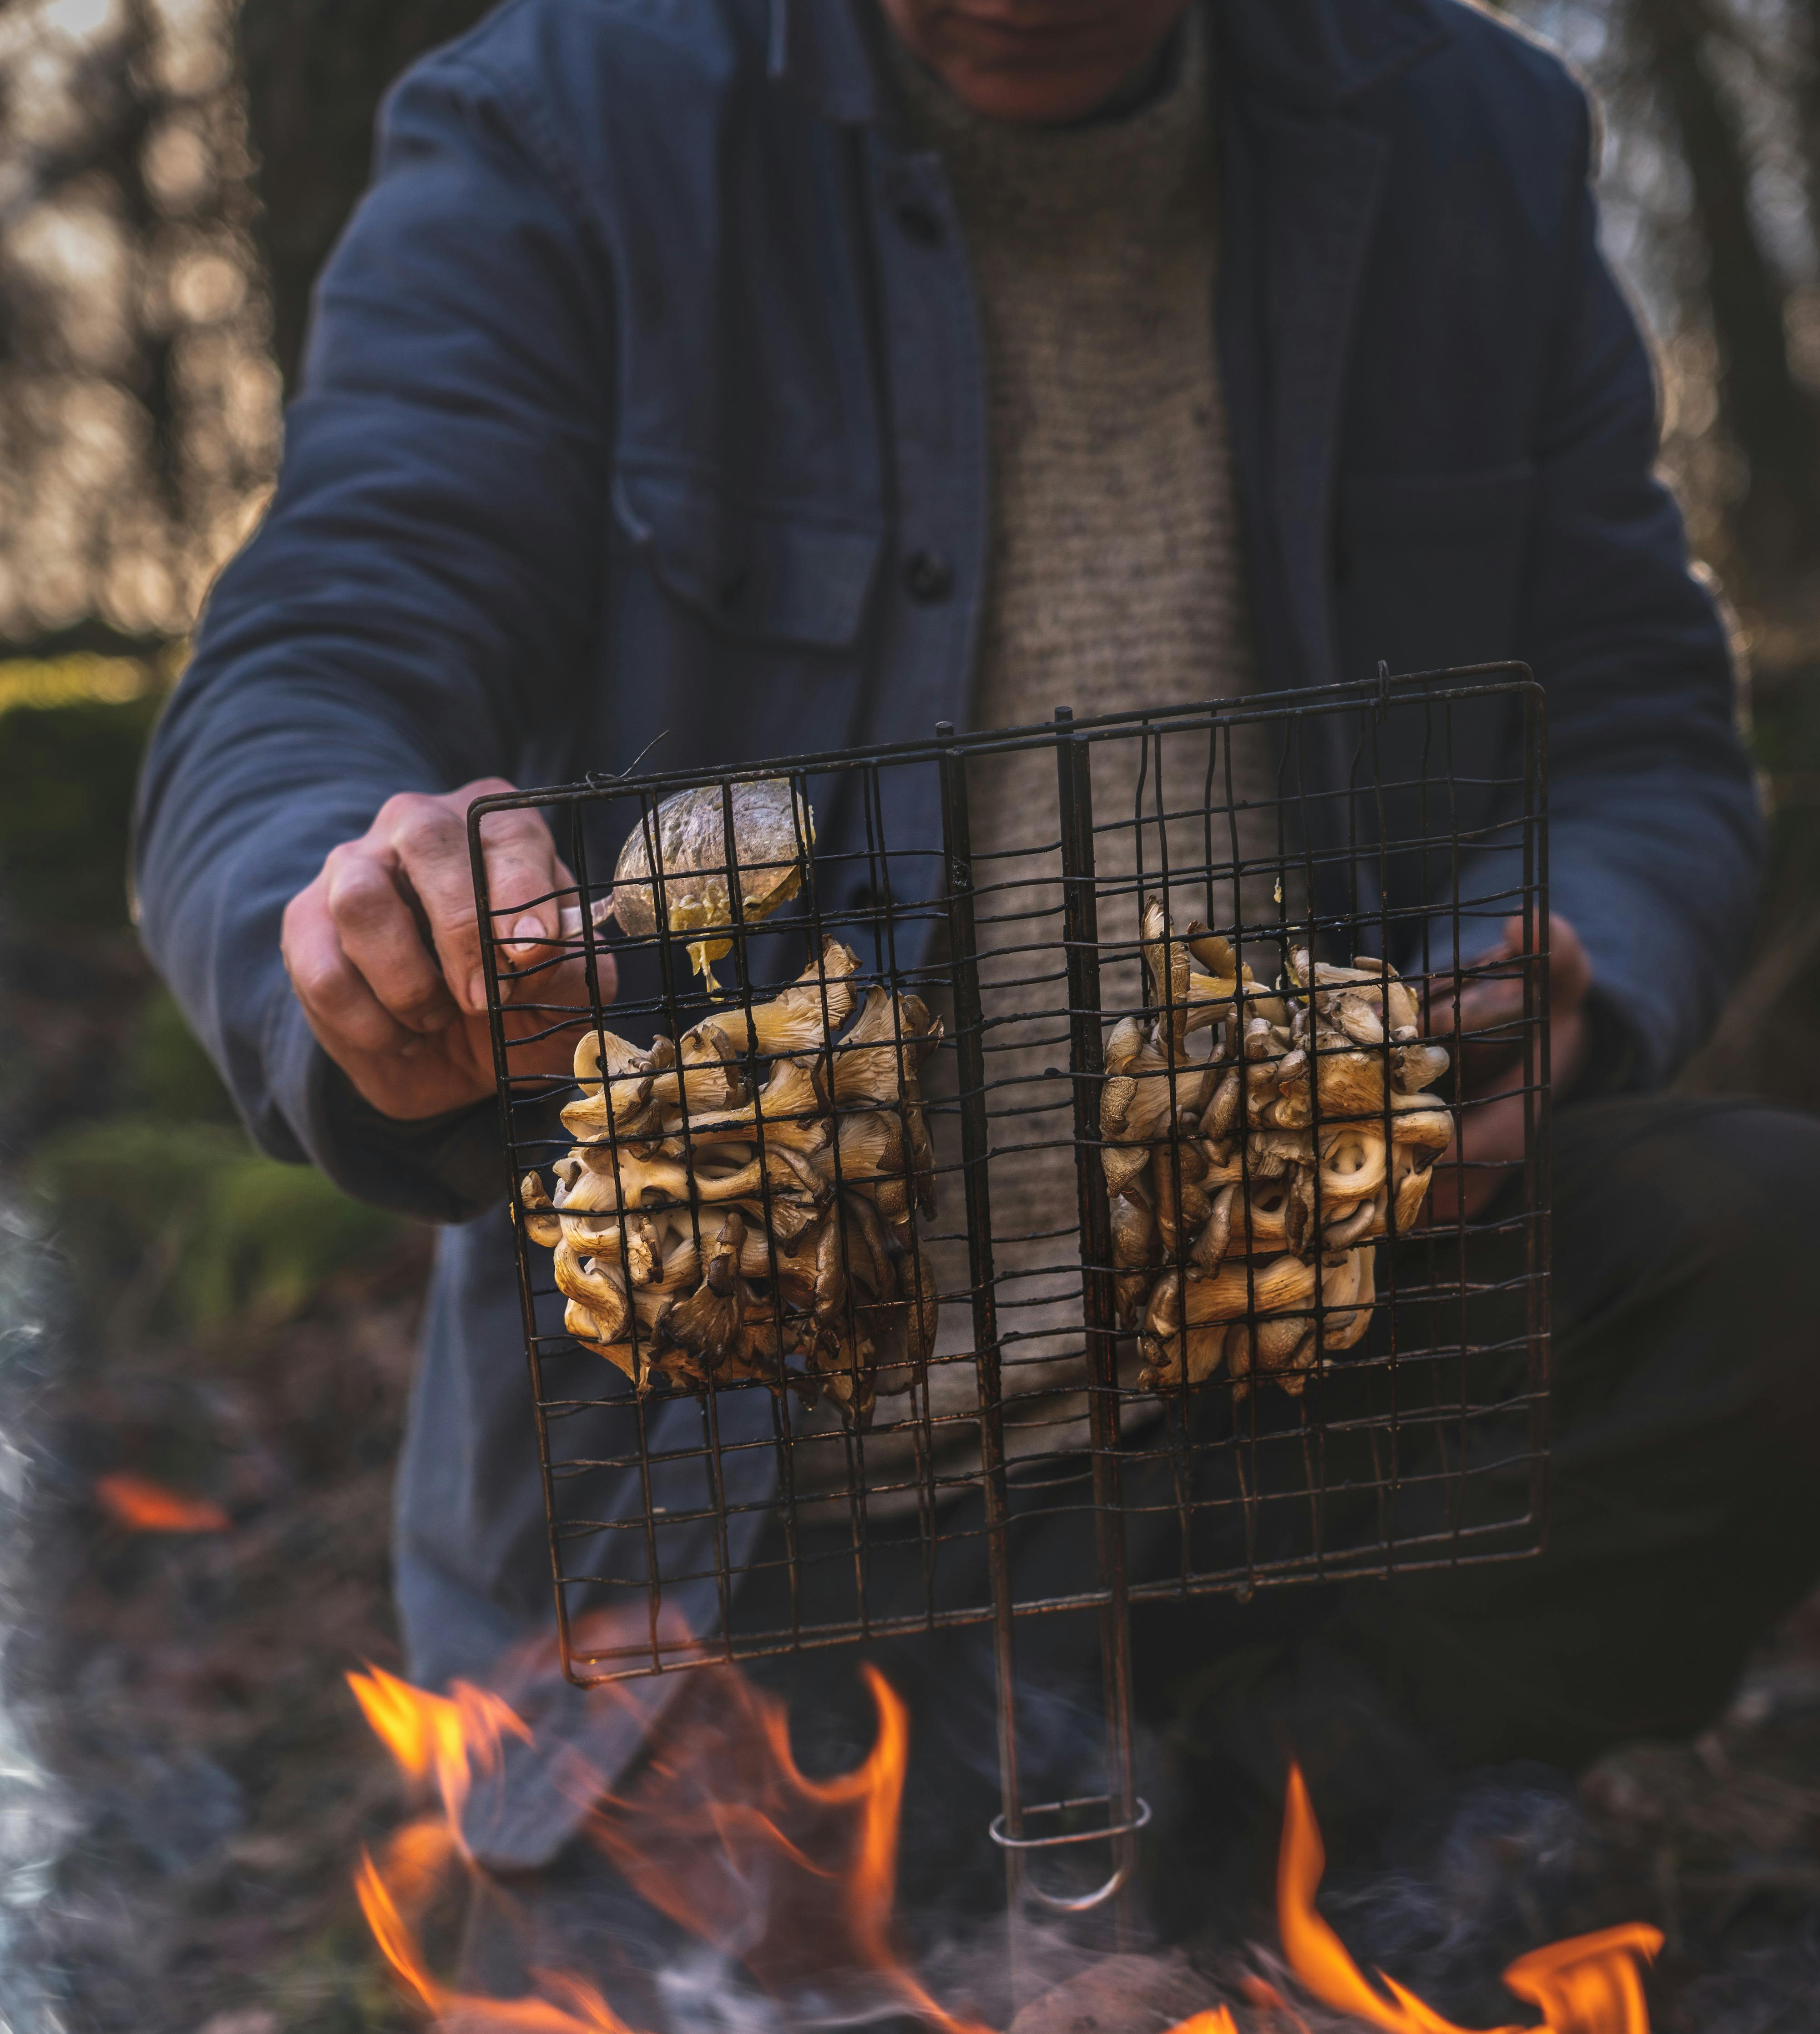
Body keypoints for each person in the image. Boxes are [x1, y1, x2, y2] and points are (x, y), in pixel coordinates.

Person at [136, 0, 1820, 1918]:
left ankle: (1291, 1856)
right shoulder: (563, 132)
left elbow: (1638, 728)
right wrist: (352, 942)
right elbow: (317, 654)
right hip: (754, 1527)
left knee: (1760, 1244)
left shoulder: (1468, 133)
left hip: (1285, 1418)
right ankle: (940, 1896)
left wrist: (1572, 952)